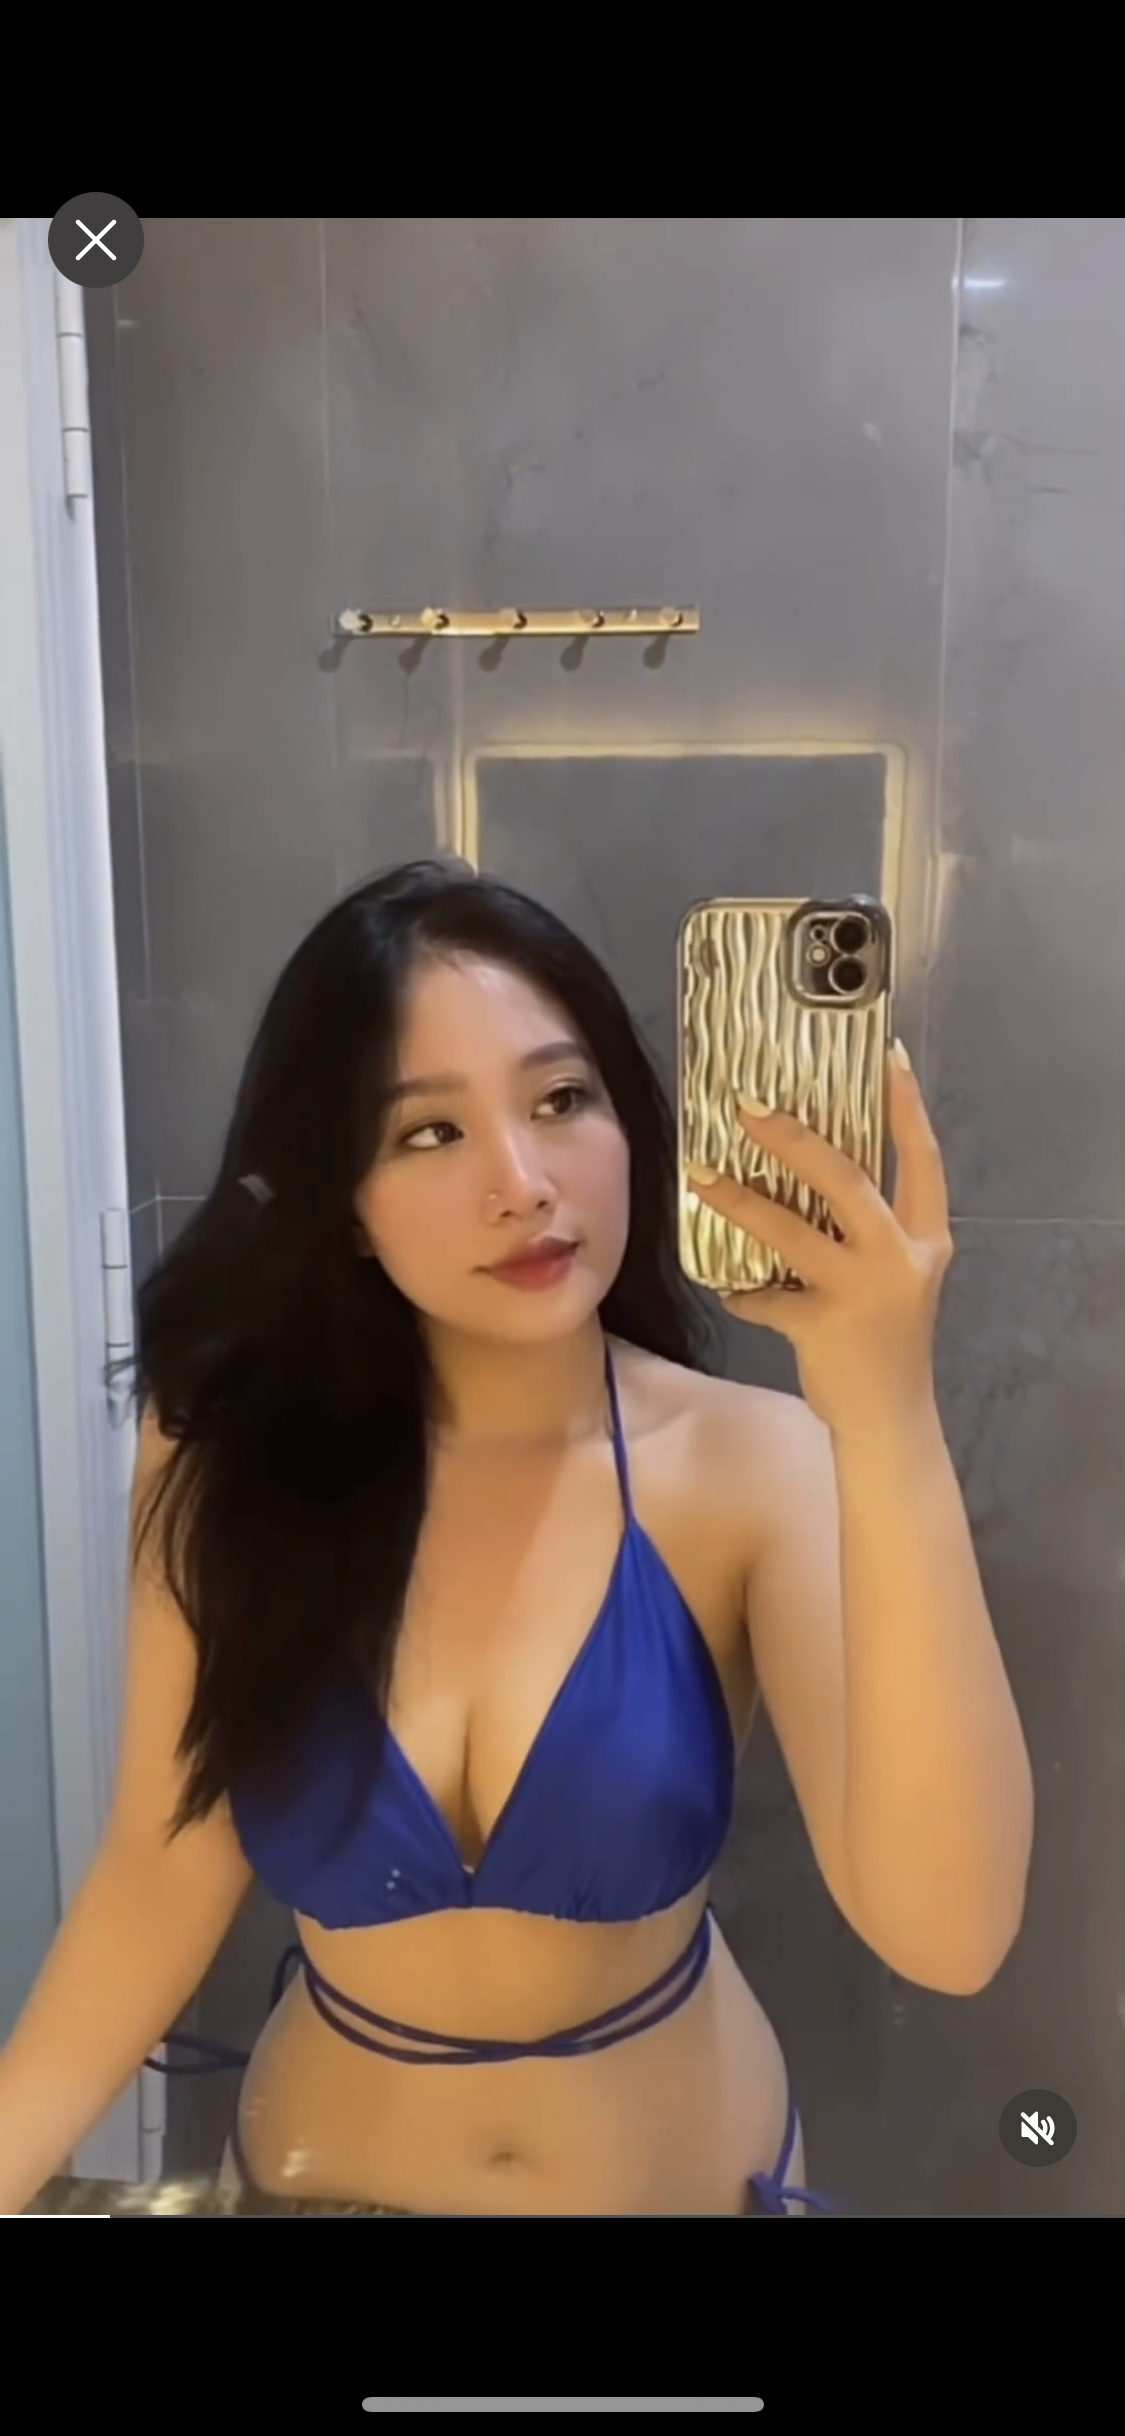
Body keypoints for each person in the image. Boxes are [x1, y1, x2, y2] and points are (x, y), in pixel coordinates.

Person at [0, 860, 1033, 2218]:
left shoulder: (749, 1465)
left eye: (561, 1100)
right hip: (323, 2187)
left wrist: (886, 1415)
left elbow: (951, 1937)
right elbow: (155, 1879)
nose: (525, 1181)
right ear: (342, 1200)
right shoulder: (228, 1457)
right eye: (429, 1132)